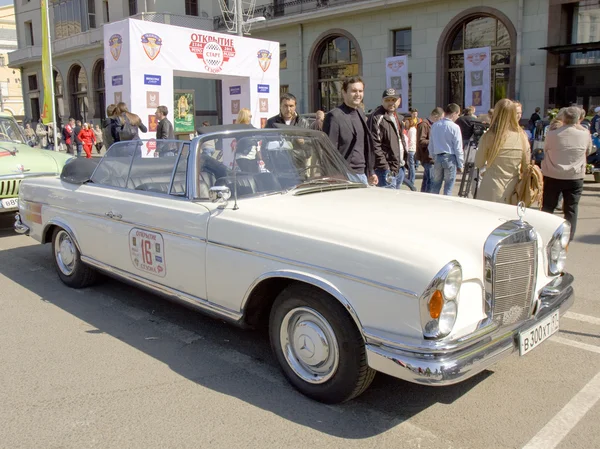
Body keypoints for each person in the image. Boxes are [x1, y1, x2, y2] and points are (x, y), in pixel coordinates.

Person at [541, 106, 594, 240]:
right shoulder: (584, 134)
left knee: (548, 205)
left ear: (563, 118)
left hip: (553, 174)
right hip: (574, 176)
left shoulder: (552, 134)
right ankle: (568, 237)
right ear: (578, 120)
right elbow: (588, 150)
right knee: (571, 208)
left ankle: (545, 232)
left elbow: (545, 149)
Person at [323, 76, 377, 185]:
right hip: (345, 175)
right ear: (344, 92)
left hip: (362, 174)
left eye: (360, 91)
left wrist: (371, 171)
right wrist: (335, 175)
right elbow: (328, 150)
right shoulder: (334, 116)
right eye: (353, 91)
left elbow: (365, 146)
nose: (358, 94)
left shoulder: (360, 113)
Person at [474, 99, 529, 204]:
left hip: (491, 188)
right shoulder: (522, 136)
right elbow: (526, 165)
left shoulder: (489, 136)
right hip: (513, 190)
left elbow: (478, 162)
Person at [368, 88, 407, 189]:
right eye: (387, 100)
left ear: (399, 101)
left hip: (399, 167)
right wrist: (385, 167)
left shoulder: (398, 117)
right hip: (385, 169)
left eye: (393, 100)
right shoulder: (377, 117)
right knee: (388, 202)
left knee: (395, 200)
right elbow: (374, 145)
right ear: (382, 101)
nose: (391, 103)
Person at [428, 103, 464, 195]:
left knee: (435, 185)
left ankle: (432, 205)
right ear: (454, 113)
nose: (458, 117)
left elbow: (431, 144)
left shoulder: (435, 125)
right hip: (450, 158)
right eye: (458, 114)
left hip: (438, 157)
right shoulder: (455, 127)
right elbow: (458, 147)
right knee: (448, 186)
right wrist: (461, 164)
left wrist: (433, 156)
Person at [416, 107, 444, 193]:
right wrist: (435, 141)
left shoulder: (431, 125)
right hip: (427, 157)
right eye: (440, 119)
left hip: (430, 157)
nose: (441, 121)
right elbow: (421, 141)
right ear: (435, 116)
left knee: (427, 181)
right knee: (431, 182)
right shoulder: (424, 125)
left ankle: (423, 198)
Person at [232, 108, 261, 172]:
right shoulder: (247, 127)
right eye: (250, 116)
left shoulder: (238, 127)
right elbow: (260, 133)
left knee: (254, 176)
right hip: (246, 157)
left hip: (248, 157)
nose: (251, 118)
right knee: (251, 176)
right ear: (244, 117)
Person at [405, 116, 417, 184]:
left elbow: (411, 140)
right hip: (412, 149)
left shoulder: (412, 130)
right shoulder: (412, 129)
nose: (406, 124)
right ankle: (410, 178)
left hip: (411, 149)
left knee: (411, 165)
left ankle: (411, 179)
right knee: (411, 165)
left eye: (407, 122)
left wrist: (408, 147)